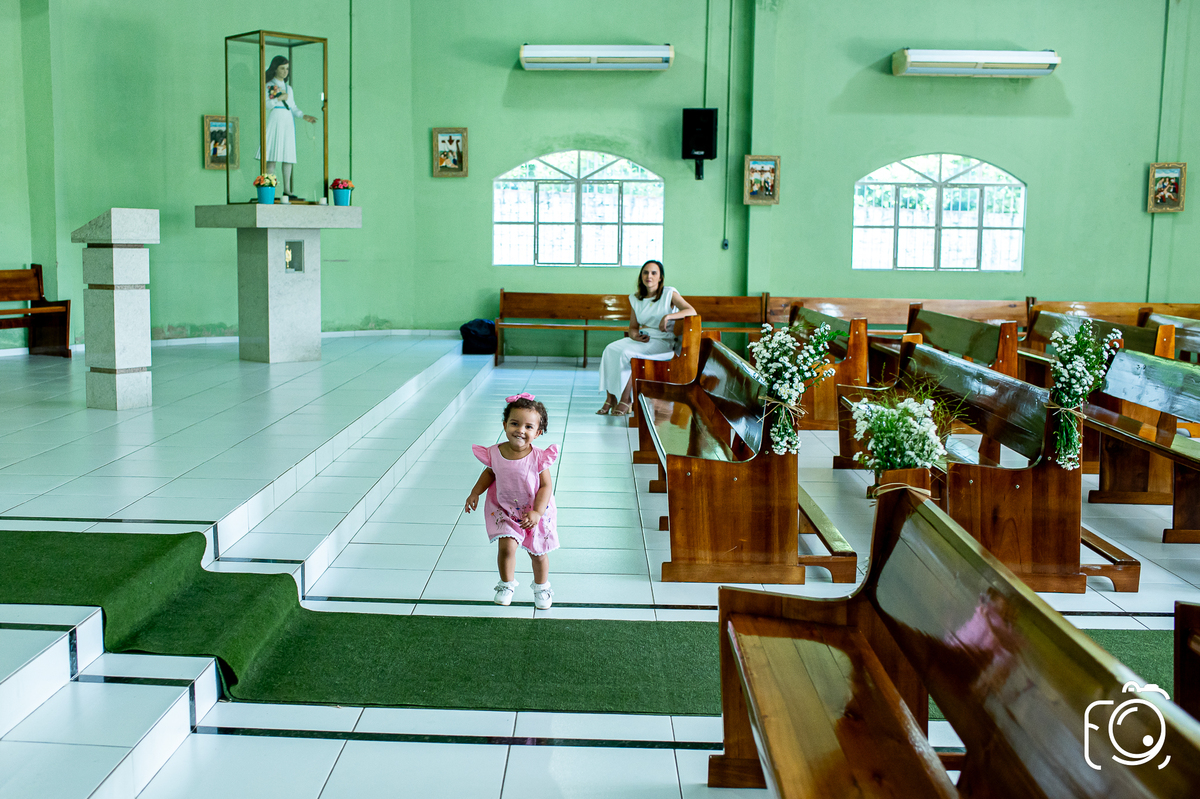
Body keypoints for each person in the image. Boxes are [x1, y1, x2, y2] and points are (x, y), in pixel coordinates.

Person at [464, 393, 558, 609]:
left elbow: (546, 486)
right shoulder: (495, 453)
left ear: (538, 433)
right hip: (505, 509)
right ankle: (506, 584)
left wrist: (537, 512)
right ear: (504, 425)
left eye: (528, 427)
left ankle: (542, 587)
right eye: (515, 423)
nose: (520, 430)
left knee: (538, 553)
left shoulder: (539, 457)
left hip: (534, 511)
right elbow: (489, 473)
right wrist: (475, 493)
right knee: (506, 548)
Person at [596, 260, 697, 415]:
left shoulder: (669, 293)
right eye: (645, 272)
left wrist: (669, 316)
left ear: (660, 277)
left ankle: (626, 399)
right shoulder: (636, 298)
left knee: (627, 353)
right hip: (644, 339)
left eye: (653, 273)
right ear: (641, 276)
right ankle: (611, 398)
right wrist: (635, 335)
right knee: (610, 349)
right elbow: (633, 327)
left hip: (663, 340)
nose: (649, 276)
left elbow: (691, 311)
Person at [261, 55, 317, 201]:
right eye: (282, 68)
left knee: (288, 155)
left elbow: (293, 107)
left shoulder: (288, 88)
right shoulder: (269, 85)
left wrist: (303, 116)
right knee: (272, 156)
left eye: (287, 69)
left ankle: (287, 189)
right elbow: (267, 105)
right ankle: (269, 187)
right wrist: (279, 98)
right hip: (276, 118)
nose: (285, 71)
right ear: (275, 69)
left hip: (287, 120)